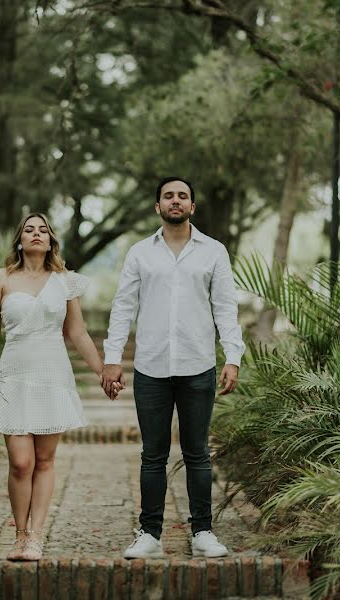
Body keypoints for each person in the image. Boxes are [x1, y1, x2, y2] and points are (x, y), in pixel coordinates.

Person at [101, 177, 245, 559]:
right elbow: (123, 308)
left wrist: (233, 356)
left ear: (192, 207)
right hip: (151, 368)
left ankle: (203, 532)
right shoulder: (139, 253)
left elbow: (226, 308)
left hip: (198, 366)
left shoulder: (213, 252)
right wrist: (112, 359)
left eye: (182, 196)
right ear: (158, 206)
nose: (175, 200)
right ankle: (149, 533)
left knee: (198, 452)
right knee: (153, 454)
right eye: (168, 196)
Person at [0, 213, 118, 561]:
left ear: (51, 240)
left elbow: (78, 332)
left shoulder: (65, 281)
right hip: (14, 374)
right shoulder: (1, 278)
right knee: (20, 462)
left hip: (53, 375)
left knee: (44, 460)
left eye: (42, 230)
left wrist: (103, 372)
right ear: (20, 240)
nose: (36, 234)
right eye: (29, 229)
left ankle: (35, 536)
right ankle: (19, 532)